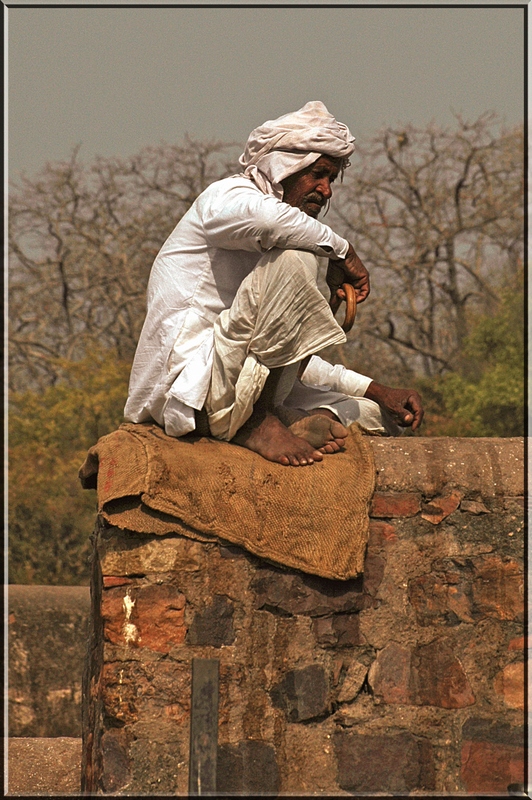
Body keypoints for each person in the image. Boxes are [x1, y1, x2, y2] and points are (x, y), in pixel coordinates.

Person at [124, 101, 423, 466]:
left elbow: (279, 352)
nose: (326, 190)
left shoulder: (287, 239)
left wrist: (374, 390)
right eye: (317, 175)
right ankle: (258, 421)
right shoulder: (226, 198)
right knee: (303, 254)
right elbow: (272, 224)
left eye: (331, 179)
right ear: (284, 167)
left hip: (238, 384)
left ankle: (286, 418)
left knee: (372, 416)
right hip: (189, 392)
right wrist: (343, 252)